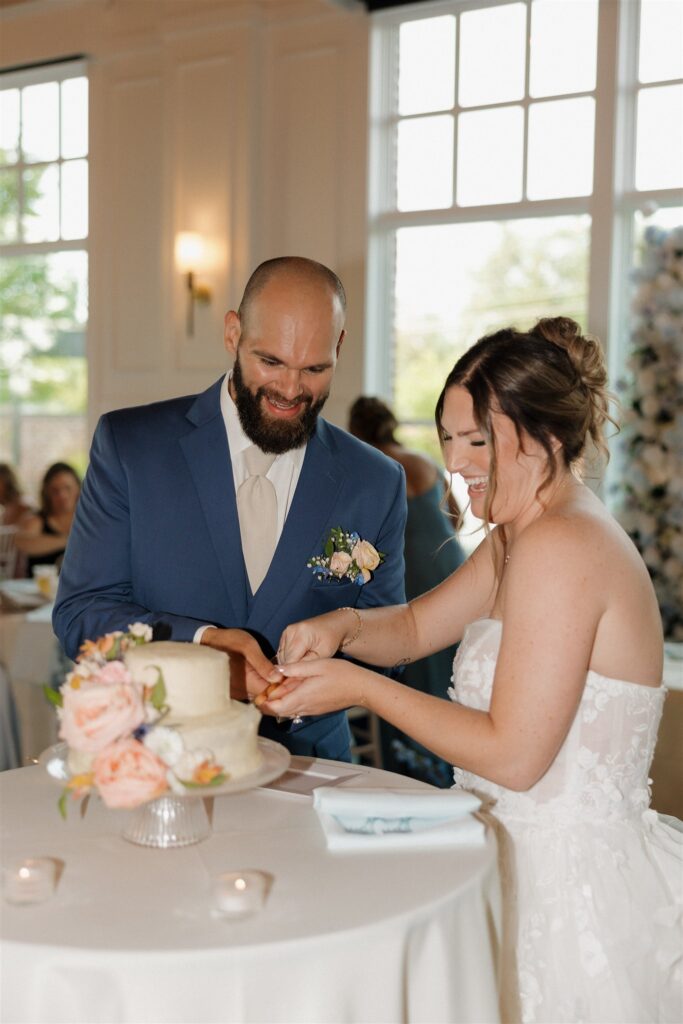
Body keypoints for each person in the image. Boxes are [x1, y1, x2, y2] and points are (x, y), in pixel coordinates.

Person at [262, 317, 682, 1022]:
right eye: (449, 438)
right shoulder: (521, 534)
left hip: (565, 890)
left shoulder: (564, 546)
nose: (455, 462)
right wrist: (344, 627)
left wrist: (360, 687)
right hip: (498, 858)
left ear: (544, 437)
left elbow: (514, 757)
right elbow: (418, 627)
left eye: (476, 440)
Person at [53, 257, 407, 761]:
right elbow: (80, 614)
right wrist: (202, 646)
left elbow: (389, 643)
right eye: (271, 361)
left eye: (314, 368)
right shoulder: (132, 447)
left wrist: (323, 670)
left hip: (310, 774)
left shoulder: (375, 480)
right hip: (158, 766)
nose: (290, 390)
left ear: (340, 347)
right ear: (232, 333)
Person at [348, 396, 465, 785]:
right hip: (451, 566)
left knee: (409, 659)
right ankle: (456, 757)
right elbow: (458, 518)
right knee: (448, 666)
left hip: (408, 575)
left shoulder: (370, 468)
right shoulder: (422, 461)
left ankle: (414, 771)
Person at [16, 462, 81, 577]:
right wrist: (70, 541)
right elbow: (23, 542)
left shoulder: (88, 520)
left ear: (78, 488)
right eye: (55, 490)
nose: (62, 495)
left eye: (67, 488)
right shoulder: (37, 519)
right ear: (47, 493)